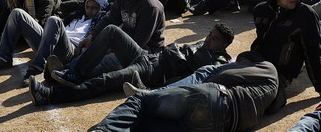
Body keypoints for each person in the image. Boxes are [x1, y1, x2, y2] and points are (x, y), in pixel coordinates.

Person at [35, 23, 233, 105]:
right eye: (209, 34)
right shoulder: (204, 45)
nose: (208, 39)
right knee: (112, 31)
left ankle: (49, 96)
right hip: (147, 56)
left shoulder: (216, 62)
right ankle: (75, 72)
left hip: (152, 72)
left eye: (214, 39)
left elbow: (192, 81)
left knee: (105, 80)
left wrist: (161, 87)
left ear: (224, 45)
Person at [84, 52, 280, 132]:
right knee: (142, 124)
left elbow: (223, 75)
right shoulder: (269, 90)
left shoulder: (266, 67)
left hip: (212, 98)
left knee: (139, 101)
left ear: (247, 61)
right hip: (221, 125)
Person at [0, 0, 107, 87]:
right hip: (49, 44)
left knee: (54, 20)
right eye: (88, 6)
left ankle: (36, 68)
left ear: (101, 9)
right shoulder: (75, 16)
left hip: (68, 52)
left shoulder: (101, 22)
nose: (90, 10)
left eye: (95, 8)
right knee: (17, 13)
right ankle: (3, 58)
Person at [252, 0, 321, 106]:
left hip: (280, 72)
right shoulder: (260, 10)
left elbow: (312, 52)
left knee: (253, 97)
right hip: (255, 62)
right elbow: (260, 41)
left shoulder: (305, 15)